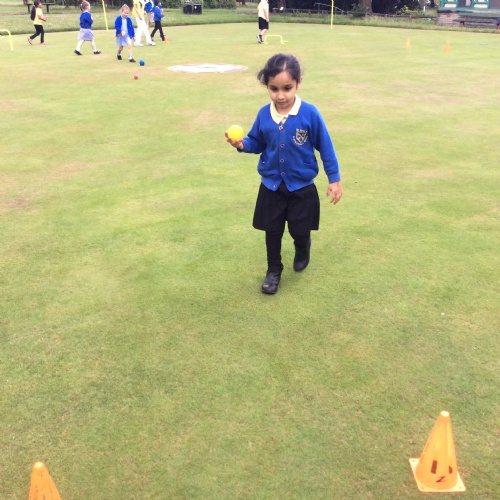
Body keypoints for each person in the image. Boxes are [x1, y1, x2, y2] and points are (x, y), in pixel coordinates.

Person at [225, 54, 343, 295]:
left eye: (287, 88)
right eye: (274, 89)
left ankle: (303, 247)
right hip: (271, 186)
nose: (280, 95)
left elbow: (326, 147)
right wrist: (242, 144)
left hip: (301, 187)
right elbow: (257, 141)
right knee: (272, 232)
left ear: (298, 83)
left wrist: (334, 179)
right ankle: (273, 270)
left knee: (300, 230)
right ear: (267, 86)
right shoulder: (263, 114)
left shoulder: (309, 113)